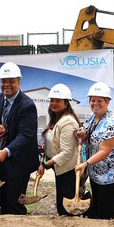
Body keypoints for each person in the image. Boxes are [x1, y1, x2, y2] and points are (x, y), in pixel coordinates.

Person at [0, 62, 39, 215]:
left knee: (14, 205)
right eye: (3, 81)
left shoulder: (27, 105)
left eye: (11, 81)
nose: (6, 85)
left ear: (19, 82)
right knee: (2, 204)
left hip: (18, 164)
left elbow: (26, 136)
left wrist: (7, 151)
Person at [75, 82, 114, 219]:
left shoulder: (111, 123)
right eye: (93, 100)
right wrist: (82, 133)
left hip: (112, 175)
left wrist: (85, 164)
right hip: (97, 173)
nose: (95, 104)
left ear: (107, 102)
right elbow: (87, 129)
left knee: (105, 212)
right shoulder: (93, 117)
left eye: (99, 101)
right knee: (97, 209)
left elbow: (104, 151)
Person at [38, 83, 80, 216]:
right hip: (61, 170)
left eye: (58, 101)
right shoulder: (57, 119)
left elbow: (66, 153)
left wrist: (45, 165)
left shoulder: (67, 122)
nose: (54, 103)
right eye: (52, 100)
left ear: (66, 103)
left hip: (68, 171)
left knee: (67, 210)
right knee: (62, 209)